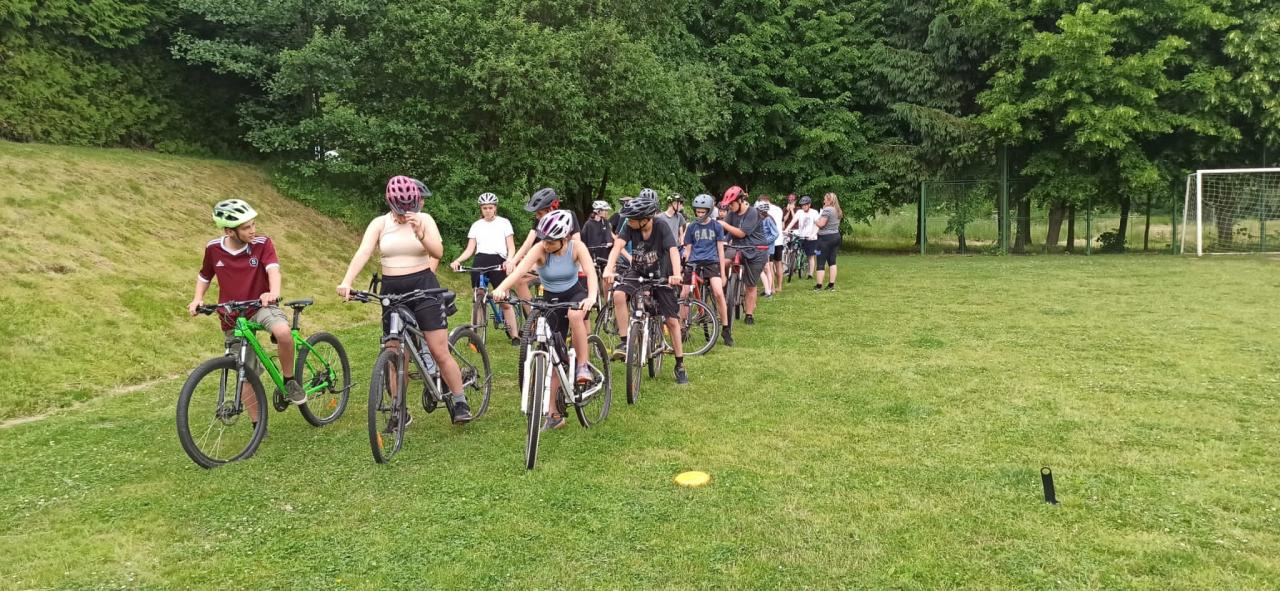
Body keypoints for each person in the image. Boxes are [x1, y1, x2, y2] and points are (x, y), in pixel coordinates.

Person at [336, 176, 473, 424]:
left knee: (438, 350)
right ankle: (399, 410)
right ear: (390, 203)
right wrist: (347, 281)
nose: (404, 214)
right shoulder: (379, 223)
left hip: (424, 287)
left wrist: (420, 233)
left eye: (410, 208)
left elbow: (438, 252)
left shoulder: (425, 220)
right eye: (400, 209)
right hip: (392, 291)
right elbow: (364, 251)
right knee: (395, 351)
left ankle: (460, 400)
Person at [189, 199, 304, 429]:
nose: (253, 230)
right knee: (244, 369)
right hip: (232, 314)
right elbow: (205, 275)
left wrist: (273, 292)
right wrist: (197, 298)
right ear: (229, 231)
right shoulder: (213, 248)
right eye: (246, 227)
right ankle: (257, 426)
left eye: (253, 225)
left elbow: (273, 270)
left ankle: (289, 380)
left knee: (283, 332)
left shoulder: (262, 243)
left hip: (261, 305)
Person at [491, 210, 598, 430]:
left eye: (551, 242)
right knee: (553, 355)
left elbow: (591, 273)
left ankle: (583, 365)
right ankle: (554, 414)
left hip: (575, 294)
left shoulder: (577, 247)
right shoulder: (540, 249)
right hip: (551, 299)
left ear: (564, 238)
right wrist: (501, 288)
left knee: (574, 315)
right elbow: (518, 272)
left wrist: (592, 297)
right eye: (544, 240)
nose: (546, 245)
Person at [603, 192, 689, 385]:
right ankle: (625, 342)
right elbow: (617, 246)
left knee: (672, 321)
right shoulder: (630, 226)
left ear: (645, 219)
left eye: (632, 219)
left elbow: (673, 250)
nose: (628, 222)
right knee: (618, 295)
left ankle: (680, 364)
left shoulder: (661, 226)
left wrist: (676, 274)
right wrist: (609, 268)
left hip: (661, 274)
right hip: (638, 271)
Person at [449, 192, 519, 345]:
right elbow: (470, 249)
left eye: (490, 207)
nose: (488, 211)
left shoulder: (504, 223)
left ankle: (515, 335)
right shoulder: (476, 225)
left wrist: (509, 260)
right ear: (481, 209)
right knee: (477, 298)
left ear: (495, 208)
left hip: (498, 260)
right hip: (480, 260)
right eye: (485, 208)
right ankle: (475, 336)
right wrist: (458, 260)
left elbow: (511, 247)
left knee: (504, 301)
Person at [506, 188, 581, 305]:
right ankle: (532, 314)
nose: (537, 217)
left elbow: (577, 241)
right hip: (545, 260)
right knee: (519, 280)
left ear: (550, 209)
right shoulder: (541, 219)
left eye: (539, 213)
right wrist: (513, 261)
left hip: (565, 262)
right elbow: (528, 242)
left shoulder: (569, 216)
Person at [681, 194, 732, 346]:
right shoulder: (691, 227)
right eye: (698, 211)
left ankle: (725, 328)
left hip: (711, 262)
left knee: (718, 292)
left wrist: (723, 274)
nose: (700, 214)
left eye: (703, 212)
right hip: (694, 262)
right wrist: (685, 267)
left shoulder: (716, 226)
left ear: (709, 211)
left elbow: (720, 250)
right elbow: (688, 249)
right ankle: (682, 327)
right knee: (684, 293)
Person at [718, 185, 769, 326]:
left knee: (750, 285)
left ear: (740, 201)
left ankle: (749, 314)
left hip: (756, 249)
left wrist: (723, 224)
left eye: (732, 204)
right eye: (728, 205)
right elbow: (723, 230)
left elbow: (741, 233)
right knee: (723, 262)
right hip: (737, 247)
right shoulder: (731, 214)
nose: (730, 207)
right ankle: (725, 288)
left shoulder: (753, 212)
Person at [784, 195, 820, 280]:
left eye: (805, 205)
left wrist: (813, 234)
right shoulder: (799, 212)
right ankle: (794, 265)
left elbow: (818, 225)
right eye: (802, 205)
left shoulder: (814, 212)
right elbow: (793, 221)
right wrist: (786, 229)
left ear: (809, 205)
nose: (803, 206)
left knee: (810, 256)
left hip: (811, 237)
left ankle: (810, 274)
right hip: (801, 235)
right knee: (794, 249)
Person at [814, 192, 844, 291]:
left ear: (829, 200)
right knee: (832, 261)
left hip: (824, 239)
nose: (823, 201)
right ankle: (831, 285)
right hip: (836, 237)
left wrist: (815, 220)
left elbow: (821, 224)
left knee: (820, 261)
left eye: (825, 199)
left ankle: (819, 286)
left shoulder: (827, 210)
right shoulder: (837, 210)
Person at [756, 195, 785, 296]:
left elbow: (775, 233)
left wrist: (765, 241)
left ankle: (771, 289)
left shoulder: (768, 219)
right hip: (764, 246)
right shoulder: (762, 219)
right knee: (767, 267)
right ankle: (769, 288)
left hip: (768, 247)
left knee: (769, 267)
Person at [581, 200, 616, 268]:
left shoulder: (605, 222)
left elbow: (608, 234)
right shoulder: (588, 224)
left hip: (604, 254)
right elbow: (583, 239)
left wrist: (609, 242)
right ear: (598, 211)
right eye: (605, 210)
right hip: (592, 255)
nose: (607, 212)